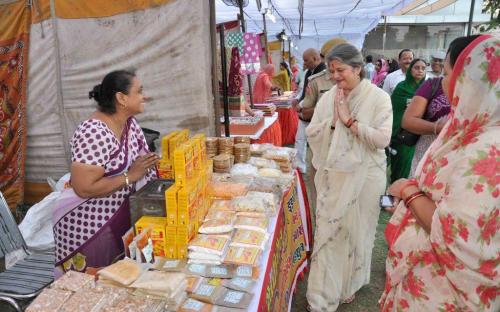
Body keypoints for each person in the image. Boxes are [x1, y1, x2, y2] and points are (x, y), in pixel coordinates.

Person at [380, 34, 498, 311]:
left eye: (446, 73)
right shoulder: (467, 129)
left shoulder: (490, 146)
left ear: (471, 81)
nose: (443, 83)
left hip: (444, 292)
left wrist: (407, 191)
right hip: (427, 277)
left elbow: (455, 234)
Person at [306, 43, 392, 311]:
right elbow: (312, 132)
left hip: (367, 175)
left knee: (359, 232)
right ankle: (322, 295)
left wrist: (350, 123)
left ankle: (349, 284)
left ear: (357, 68)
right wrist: (333, 122)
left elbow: (382, 139)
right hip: (335, 174)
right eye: (332, 70)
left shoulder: (378, 98)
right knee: (330, 232)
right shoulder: (330, 96)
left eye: (340, 70)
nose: (335, 76)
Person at [53, 69, 159, 276]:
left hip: (115, 219)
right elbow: (83, 188)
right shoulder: (94, 132)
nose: (144, 96)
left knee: (116, 281)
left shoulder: (129, 124)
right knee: (90, 289)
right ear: (121, 98)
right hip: (87, 226)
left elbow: (141, 161)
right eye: (139, 91)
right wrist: (132, 176)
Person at [402, 77, 451, 178]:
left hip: (459, 158)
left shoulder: (481, 88)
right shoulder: (434, 84)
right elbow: (408, 121)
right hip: (427, 152)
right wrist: (441, 129)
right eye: (446, 73)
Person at [389, 58, 427, 183]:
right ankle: (395, 196)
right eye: (416, 68)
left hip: (423, 137)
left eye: (423, 68)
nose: (420, 71)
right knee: (401, 171)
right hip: (403, 137)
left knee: (418, 171)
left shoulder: (428, 89)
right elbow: (394, 113)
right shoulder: (401, 88)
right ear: (410, 70)